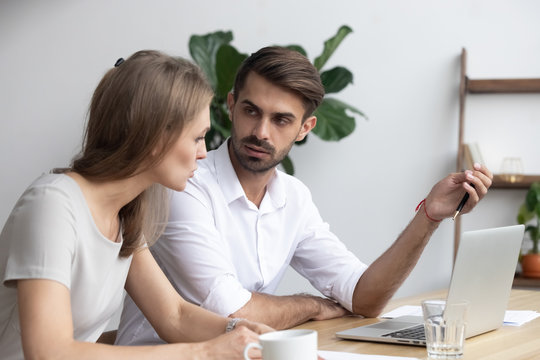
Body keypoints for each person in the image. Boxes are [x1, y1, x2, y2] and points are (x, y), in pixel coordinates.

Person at [115, 46, 493, 345]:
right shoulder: (185, 186)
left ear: (304, 128)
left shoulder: (292, 197)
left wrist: (428, 216)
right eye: (251, 111)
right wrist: (312, 305)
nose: (261, 132)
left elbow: (364, 297)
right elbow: (233, 311)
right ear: (230, 106)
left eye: (281, 120)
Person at [0, 50, 273, 360]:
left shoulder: (125, 215)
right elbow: (49, 352)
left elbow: (174, 316)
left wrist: (241, 332)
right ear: (155, 137)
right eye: (197, 138)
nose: (203, 153)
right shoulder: (53, 206)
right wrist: (205, 352)